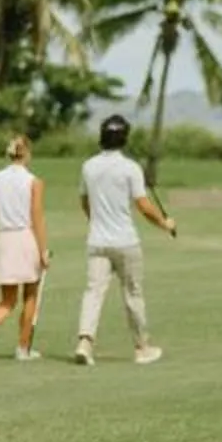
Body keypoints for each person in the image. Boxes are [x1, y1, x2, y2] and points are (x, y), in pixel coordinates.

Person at [74, 115, 178, 366]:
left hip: (97, 241)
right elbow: (143, 205)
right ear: (124, 138)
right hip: (125, 242)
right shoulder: (131, 168)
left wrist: (96, 221)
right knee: (133, 294)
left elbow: (85, 201)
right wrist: (165, 224)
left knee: (94, 292)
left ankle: (85, 343)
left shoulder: (88, 166)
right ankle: (142, 348)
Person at [0, 135, 48, 360]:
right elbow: (36, 218)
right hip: (26, 237)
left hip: (5, 237)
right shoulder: (34, 181)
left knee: (7, 300)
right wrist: (43, 250)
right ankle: (23, 348)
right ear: (27, 154)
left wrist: (1, 228)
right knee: (31, 295)